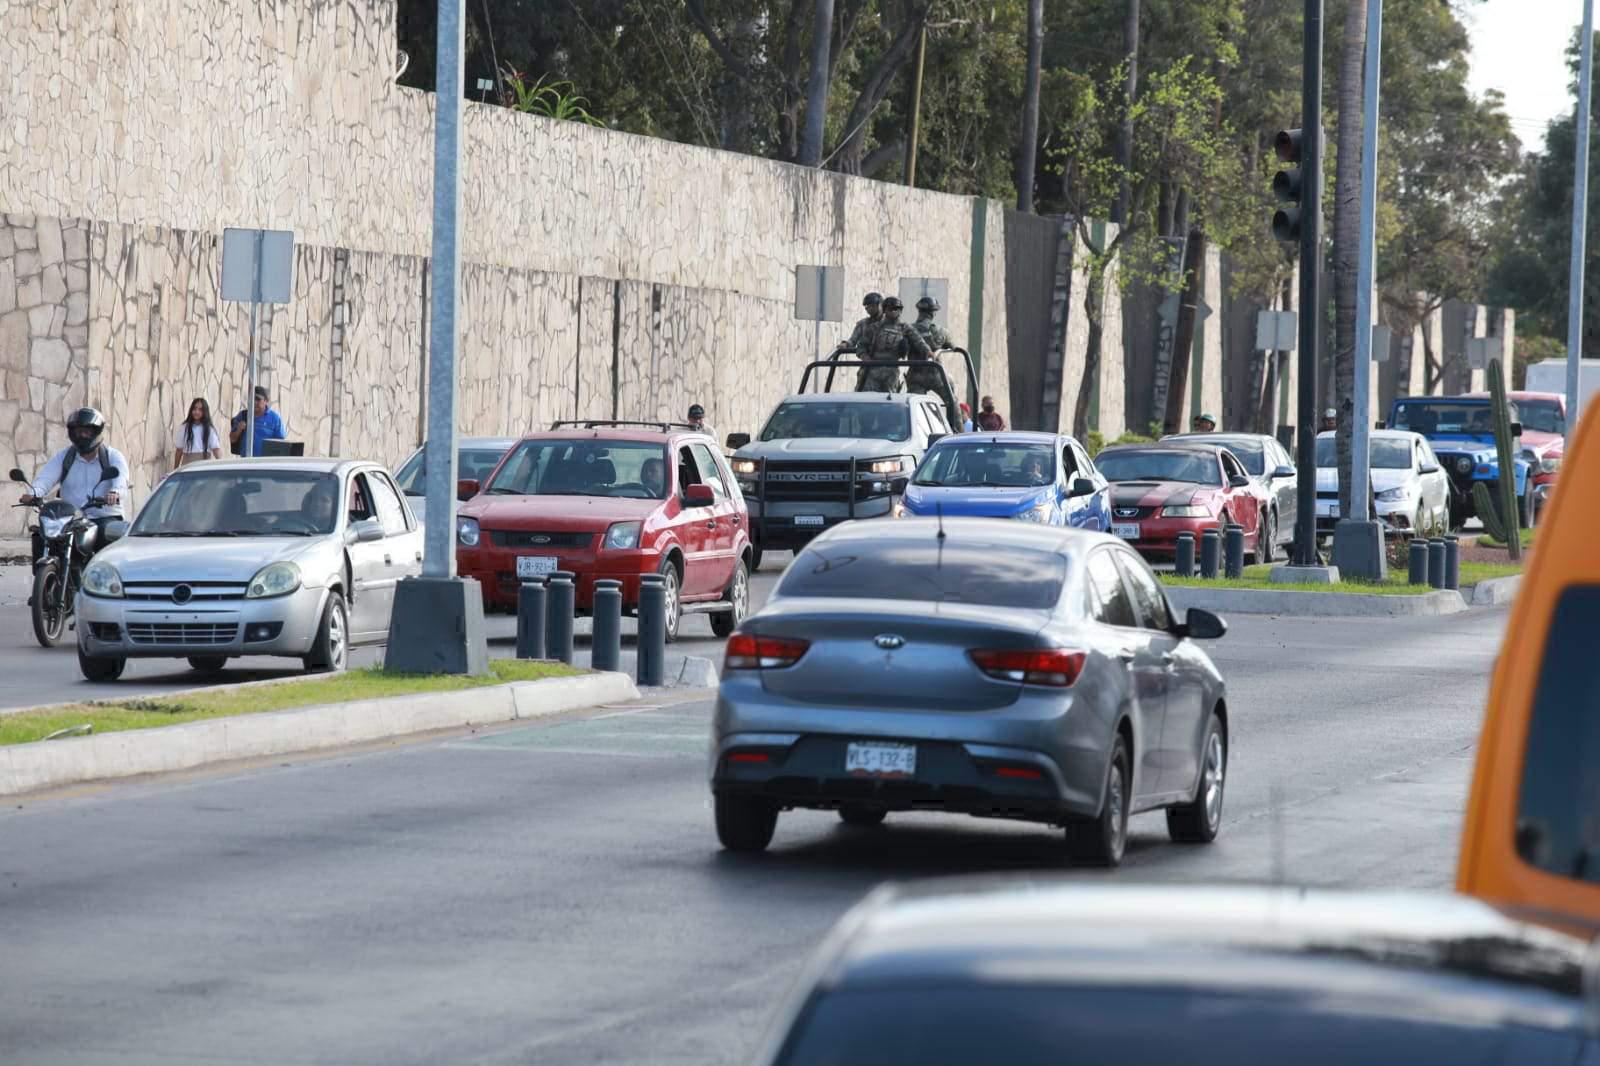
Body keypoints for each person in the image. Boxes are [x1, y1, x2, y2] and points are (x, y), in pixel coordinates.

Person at [18, 407, 130, 567]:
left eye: (86, 431)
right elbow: (46, 478)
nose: (81, 436)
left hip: (103, 516)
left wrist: (115, 493)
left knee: (107, 539)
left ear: (96, 432)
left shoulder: (112, 456)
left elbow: (121, 480)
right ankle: (47, 578)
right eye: (77, 431)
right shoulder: (65, 457)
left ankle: (102, 578)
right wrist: (33, 493)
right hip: (72, 518)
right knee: (44, 536)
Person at [857, 296, 931, 393]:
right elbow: (861, 346)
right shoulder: (875, 327)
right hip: (873, 369)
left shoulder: (904, 328)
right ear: (884, 310)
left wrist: (928, 351)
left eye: (896, 309)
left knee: (890, 398)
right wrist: (865, 357)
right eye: (890, 309)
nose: (893, 311)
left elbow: (918, 340)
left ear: (900, 311)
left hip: (892, 370)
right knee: (869, 397)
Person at [908, 296, 962, 426]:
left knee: (913, 406)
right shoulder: (942, 331)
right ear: (934, 313)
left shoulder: (908, 330)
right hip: (937, 375)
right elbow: (952, 346)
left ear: (919, 311)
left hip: (916, 375)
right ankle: (957, 431)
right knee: (952, 402)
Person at [230, 386, 286, 457]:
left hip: (265, 462)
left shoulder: (275, 419)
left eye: (258, 399)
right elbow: (232, 439)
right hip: (245, 461)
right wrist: (238, 430)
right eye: (252, 399)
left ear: (266, 401)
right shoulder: (243, 415)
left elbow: (281, 444)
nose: (254, 402)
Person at [172, 397, 222, 470]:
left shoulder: (209, 429)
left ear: (204, 412)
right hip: (187, 466)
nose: (196, 412)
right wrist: (175, 468)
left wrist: (221, 466)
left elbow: (216, 449)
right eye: (195, 409)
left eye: (200, 410)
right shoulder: (184, 427)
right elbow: (179, 450)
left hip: (204, 467)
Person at [836, 292, 883, 362]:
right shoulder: (863, 324)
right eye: (867, 307)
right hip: (868, 363)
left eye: (873, 306)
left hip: (888, 364)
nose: (870, 309)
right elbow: (853, 340)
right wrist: (845, 344)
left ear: (880, 305)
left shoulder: (891, 323)